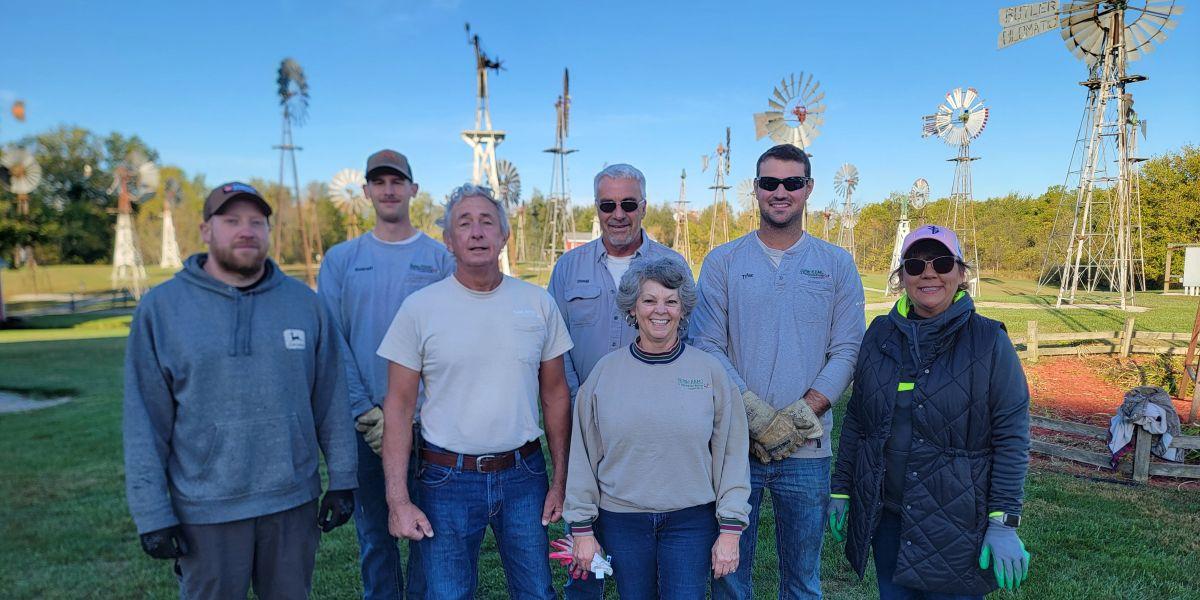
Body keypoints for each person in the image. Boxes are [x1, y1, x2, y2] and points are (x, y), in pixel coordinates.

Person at [123, 182, 357, 599]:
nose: (246, 230)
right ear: (206, 230)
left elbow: (332, 401)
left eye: (256, 222)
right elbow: (145, 421)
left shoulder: (305, 304)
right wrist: (152, 512)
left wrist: (342, 478)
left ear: (268, 231)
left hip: (291, 503)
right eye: (231, 221)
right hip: (206, 510)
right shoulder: (161, 309)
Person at [376, 184, 573, 599]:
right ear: (449, 240)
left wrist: (559, 480)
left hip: (524, 475)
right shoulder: (419, 309)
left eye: (487, 222)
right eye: (464, 223)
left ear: (504, 236)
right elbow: (398, 408)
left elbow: (556, 395)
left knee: (537, 591)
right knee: (448, 594)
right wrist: (398, 500)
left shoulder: (538, 304)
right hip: (446, 479)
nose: (477, 232)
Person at [694, 143, 866, 599]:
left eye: (792, 182)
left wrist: (799, 415)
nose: (780, 192)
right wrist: (753, 414)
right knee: (728, 575)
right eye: (770, 182)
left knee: (803, 579)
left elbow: (848, 349)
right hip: (734, 447)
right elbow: (706, 344)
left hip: (807, 449)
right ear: (756, 189)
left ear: (808, 188)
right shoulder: (723, 262)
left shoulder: (836, 264)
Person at [827, 225, 1031, 599]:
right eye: (915, 265)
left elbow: (1012, 437)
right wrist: (841, 488)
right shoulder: (880, 333)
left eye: (941, 262)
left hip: (958, 525)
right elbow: (858, 420)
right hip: (888, 520)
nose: (929, 273)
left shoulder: (989, 341)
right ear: (902, 277)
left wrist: (1004, 521)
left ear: (961, 273)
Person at [564, 256, 751, 599]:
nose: (660, 310)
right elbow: (583, 457)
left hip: (691, 522)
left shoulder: (710, 372)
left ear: (683, 309)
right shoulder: (604, 374)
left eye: (671, 301)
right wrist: (582, 529)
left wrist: (731, 529)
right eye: (649, 300)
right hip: (622, 521)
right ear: (632, 309)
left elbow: (732, 455)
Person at [547, 163, 690, 599]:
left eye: (628, 204)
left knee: (644, 564)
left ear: (643, 206)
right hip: (582, 428)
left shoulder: (671, 265)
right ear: (597, 208)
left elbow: (687, 345)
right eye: (608, 205)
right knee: (583, 562)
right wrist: (582, 405)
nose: (618, 214)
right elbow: (556, 351)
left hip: (649, 434)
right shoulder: (568, 269)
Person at [318, 150, 453, 599]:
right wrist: (365, 411)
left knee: (427, 532)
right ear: (366, 191)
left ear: (414, 189)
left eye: (397, 181)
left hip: (429, 426)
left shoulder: (439, 258)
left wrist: (425, 410)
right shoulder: (341, 259)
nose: (389, 190)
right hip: (366, 426)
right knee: (376, 537)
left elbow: (451, 339)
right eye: (379, 182)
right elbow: (331, 342)